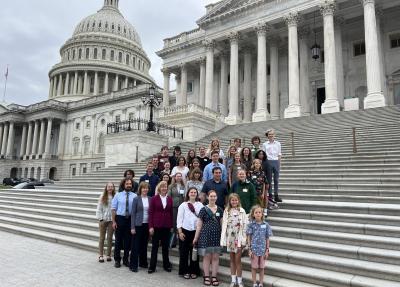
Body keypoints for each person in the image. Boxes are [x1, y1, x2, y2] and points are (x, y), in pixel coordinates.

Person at [193, 190, 223, 287]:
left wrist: (223, 237)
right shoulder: (203, 209)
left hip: (217, 236)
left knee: (215, 257)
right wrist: (196, 238)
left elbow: (222, 224)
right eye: (211, 196)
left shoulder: (220, 209)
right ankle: (206, 276)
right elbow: (199, 225)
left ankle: (214, 276)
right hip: (205, 235)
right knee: (207, 257)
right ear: (207, 197)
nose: (213, 198)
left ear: (216, 197)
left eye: (214, 196)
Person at [220, 193, 248, 287]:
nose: (234, 202)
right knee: (232, 260)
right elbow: (224, 226)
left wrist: (244, 240)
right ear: (230, 201)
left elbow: (245, 226)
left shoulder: (242, 211)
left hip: (239, 239)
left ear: (238, 201)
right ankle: (233, 280)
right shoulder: (226, 211)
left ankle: (240, 281)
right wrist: (223, 240)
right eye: (232, 200)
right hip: (230, 239)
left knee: (238, 260)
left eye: (236, 200)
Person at [177, 187, 203, 278]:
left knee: (194, 252)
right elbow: (179, 219)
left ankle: (194, 270)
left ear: (197, 194)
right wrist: (180, 232)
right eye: (191, 192)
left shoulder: (200, 205)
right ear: (188, 194)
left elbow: (202, 218)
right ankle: (184, 271)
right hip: (185, 230)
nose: (193, 193)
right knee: (184, 252)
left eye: (194, 192)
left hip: (196, 232)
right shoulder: (183, 205)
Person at [148, 181, 173, 273]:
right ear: (159, 188)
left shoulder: (170, 199)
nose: (164, 188)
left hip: (166, 226)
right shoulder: (154, 199)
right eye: (162, 187)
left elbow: (170, 213)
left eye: (165, 187)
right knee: (155, 247)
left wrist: (171, 226)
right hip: (156, 226)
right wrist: (150, 227)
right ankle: (152, 266)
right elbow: (150, 213)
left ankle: (166, 265)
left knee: (165, 247)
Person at [111, 178, 137, 268]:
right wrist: (114, 221)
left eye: (130, 184)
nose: (129, 185)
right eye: (127, 184)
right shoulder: (118, 195)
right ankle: (117, 260)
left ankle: (126, 259)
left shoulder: (135, 196)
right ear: (123, 185)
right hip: (120, 219)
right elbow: (113, 209)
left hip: (130, 219)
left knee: (127, 241)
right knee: (118, 240)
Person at [247, 205, 273, 287]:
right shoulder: (251, 225)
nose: (258, 214)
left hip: (262, 250)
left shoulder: (266, 225)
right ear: (253, 214)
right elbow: (249, 237)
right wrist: (249, 249)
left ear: (262, 214)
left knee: (262, 267)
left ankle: (261, 283)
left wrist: (267, 250)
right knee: (254, 267)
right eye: (256, 212)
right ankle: (254, 283)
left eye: (259, 212)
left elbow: (267, 238)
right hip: (254, 250)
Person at [129, 182, 151, 272]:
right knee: (135, 246)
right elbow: (133, 214)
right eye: (143, 188)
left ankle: (143, 262)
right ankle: (133, 265)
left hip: (147, 225)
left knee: (144, 245)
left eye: (146, 188)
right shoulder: (136, 199)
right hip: (138, 225)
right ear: (140, 189)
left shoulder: (150, 199)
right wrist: (132, 227)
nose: (145, 190)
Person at [96, 182, 116, 263]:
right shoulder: (102, 196)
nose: (110, 188)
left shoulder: (115, 196)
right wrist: (100, 219)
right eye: (109, 186)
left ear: (113, 188)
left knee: (110, 238)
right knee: (102, 238)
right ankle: (101, 255)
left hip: (111, 220)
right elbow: (99, 208)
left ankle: (108, 255)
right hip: (103, 219)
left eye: (112, 187)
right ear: (106, 187)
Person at [262, 129, 282, 202]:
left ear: (274, 135)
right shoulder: (265, 144)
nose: (271, 135)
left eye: (272, 134)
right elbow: (263, 154)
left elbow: (279, 154)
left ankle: (276, 195)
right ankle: (270, 195)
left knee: (276, 180)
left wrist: (278, 163)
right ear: (267, 135)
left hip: (276, 161)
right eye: (269, 134)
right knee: (269, 180)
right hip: (268, 161)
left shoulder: (278, 143)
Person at [168, 172, 186, 237]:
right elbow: (169, 196)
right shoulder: (171, 186)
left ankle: (180, 236)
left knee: (181, 221)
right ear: (175, 177)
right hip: (174, 206)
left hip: (181, 206)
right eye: (177, 176)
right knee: (174, 222)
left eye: (180, 176)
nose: (179, 177)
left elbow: (185, 196)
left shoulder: (183, 186)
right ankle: (173, 239)